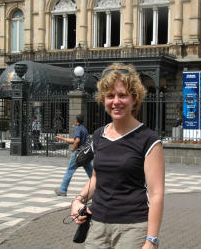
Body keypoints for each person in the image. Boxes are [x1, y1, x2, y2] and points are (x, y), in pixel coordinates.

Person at [70, 63, 165, 248]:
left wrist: (151, 240)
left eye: (122, 95)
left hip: (132, 228)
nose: (116, 101)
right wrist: (78, 200)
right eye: (110, 96)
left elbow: (156, 194)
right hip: (97, 226)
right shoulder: (99, 135)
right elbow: (96, 178)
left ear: (134, 99)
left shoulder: (148, 139)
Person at [54, 114, 93, 197]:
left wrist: (73, 150)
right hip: (84, 153)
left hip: (78, 153)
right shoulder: (84, 129)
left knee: (70, 170)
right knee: (91, 172)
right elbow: (75, 140)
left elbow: (77, 140)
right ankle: (99, 188)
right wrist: (62, 138)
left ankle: (62, 190)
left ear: (76, 120)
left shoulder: (77, 128)